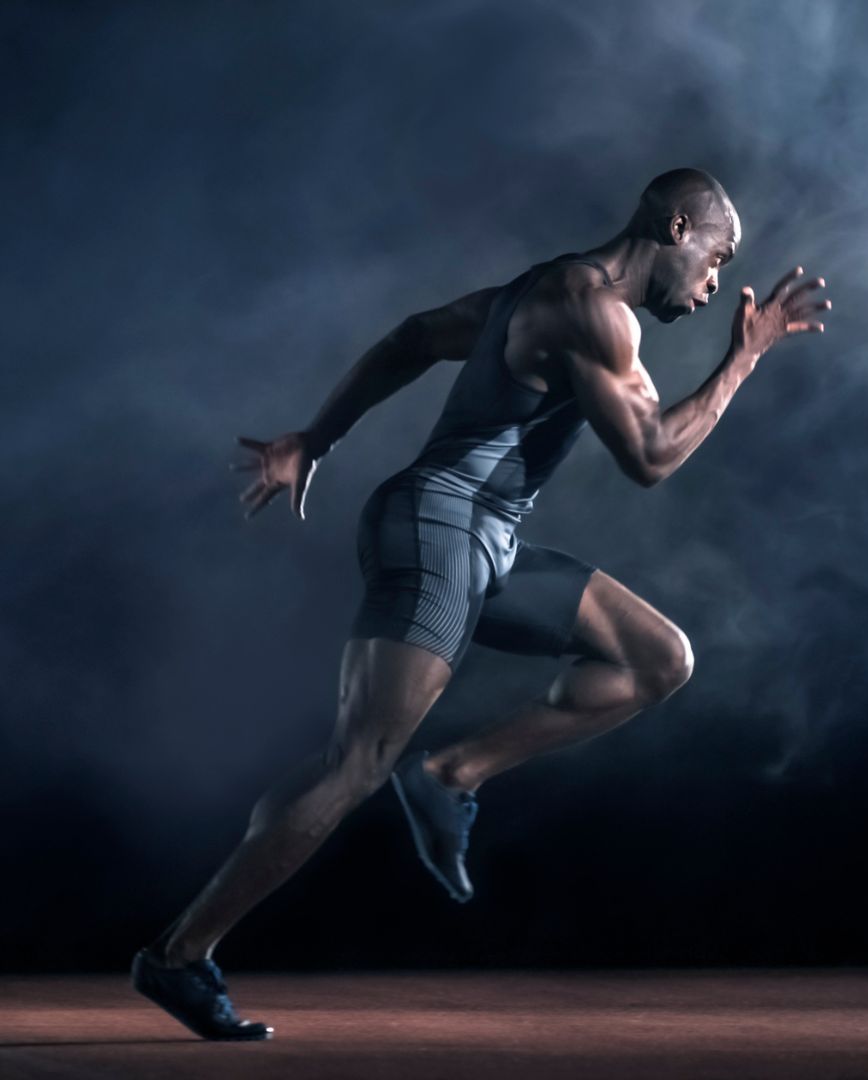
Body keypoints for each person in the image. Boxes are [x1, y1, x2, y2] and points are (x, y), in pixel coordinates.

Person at [131, 167, 831, 1040]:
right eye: (719, 259)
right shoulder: (592, 311)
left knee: (659, 659)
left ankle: (453, 774)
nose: (719, 284)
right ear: (678, 224)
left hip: (482, 539)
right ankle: (178, 955)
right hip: (441, 530)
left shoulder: (540, 289)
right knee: (355, 761)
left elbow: (414, 337)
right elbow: (650, 455)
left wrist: (316, 438)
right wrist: (744, 356)